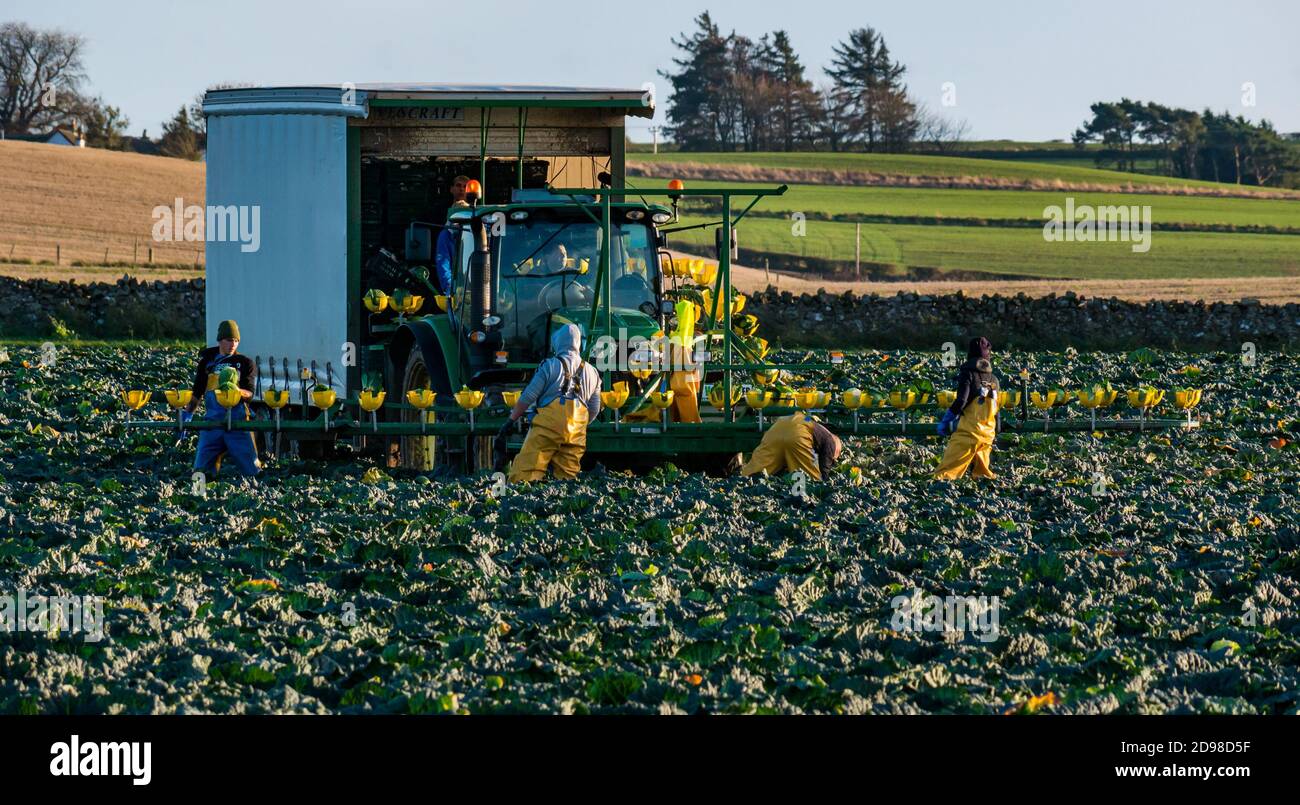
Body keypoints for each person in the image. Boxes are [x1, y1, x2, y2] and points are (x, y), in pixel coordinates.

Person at [502, 323, 602, 481]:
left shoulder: (549, 365)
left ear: (557, 343)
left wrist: (511, 420)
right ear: (579, 344)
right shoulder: (593, 372)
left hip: (548, 427)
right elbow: (595, 408)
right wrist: (578, 425)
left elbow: (528, 396)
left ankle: (523, 498)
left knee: (527, 470)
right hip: (577, 431)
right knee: (567, 477)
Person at [183, 319, 260, 477]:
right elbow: (197, 392)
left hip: (238, 424)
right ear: (220, 340)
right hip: (212, 424)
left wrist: (238, 391)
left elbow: (251, 393)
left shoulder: (245, 363)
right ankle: (198, 497)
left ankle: (260, 496)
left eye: (236, 341)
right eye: (229, 340)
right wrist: (187, 415)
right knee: (200, 470)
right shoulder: (207, 362)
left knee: (252, 469)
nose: (233, 344)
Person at [934, 336, 1001, 480]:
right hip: (987, 436)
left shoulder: (968, 374)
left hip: (968, 434)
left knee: (944, 474)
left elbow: (962, 401)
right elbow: (997, 408)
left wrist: (947, 420)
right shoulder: (994, 379)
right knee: (983, 477)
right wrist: (997, 428)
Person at [741, 413, 842, 480]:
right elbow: (824, 469)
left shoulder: (812, 423)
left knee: (755, 471)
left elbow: (805, 418)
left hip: (777, 428)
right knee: (808, 480)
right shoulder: (831, 441)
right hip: (797, 435)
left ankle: (742, 484)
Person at [433, 175, 472, 295]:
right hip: (457, 291)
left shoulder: (478, 234)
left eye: (465, 187)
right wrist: (452, 290)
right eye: (458, 185)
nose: (461, 189)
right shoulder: (445, 235)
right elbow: (443, 264)